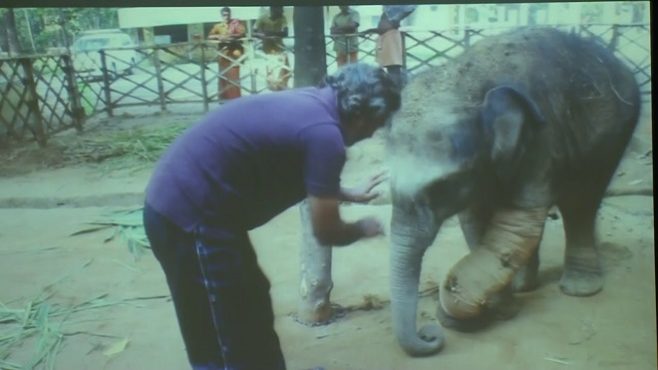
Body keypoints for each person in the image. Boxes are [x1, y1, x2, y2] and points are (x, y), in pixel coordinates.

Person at [142, 62, 401, 370]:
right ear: (364, 114)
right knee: (229, 328)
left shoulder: (314, 105)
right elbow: (327, 231)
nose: (373, 133)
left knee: (249, 303)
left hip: (193, 209)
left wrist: (343, 192)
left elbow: (304, 170)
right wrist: (362, 228)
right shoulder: (325, 136)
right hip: (190, 217)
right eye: (378, 123)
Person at [208, 7, 246, 101]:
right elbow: (210, 36)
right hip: (223, 54)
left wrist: (230, 36)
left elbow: (242, 33)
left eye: (228, 14)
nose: (227, 16)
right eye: (224, 14)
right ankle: (223, 98)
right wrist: (219, 37)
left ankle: (235, 98)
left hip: (234, 53)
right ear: (222, 15)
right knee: (223, 76)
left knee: (234, 76)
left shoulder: (236, 23)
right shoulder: (218, 26)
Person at [253, 6, 291, 91]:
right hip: (267, 49)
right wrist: (263, 35)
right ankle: (272, 88)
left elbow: (285, 33)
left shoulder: (282, 18)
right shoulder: (262, 18)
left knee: (284, 69)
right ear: (273, 9)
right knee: (271, 70)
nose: (282, 12)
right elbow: (254, 32)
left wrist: (271, 33)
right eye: (280, 9)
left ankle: (282, 88)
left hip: (279, 47)